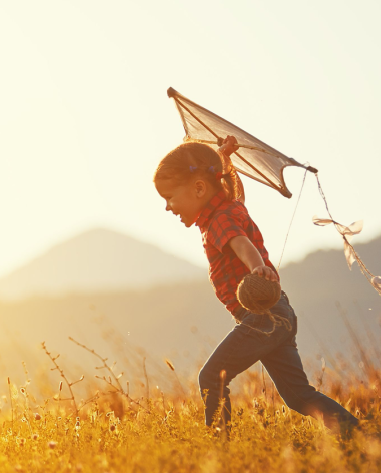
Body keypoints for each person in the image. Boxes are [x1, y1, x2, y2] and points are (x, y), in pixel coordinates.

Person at [153, 136, 359, 437]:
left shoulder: (220, 220)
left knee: (212, 377)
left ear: (199, 188)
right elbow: (227, 191)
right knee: (299, 395)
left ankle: (219, 448)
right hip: (279, 316)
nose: (168, 207)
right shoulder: (228, 207)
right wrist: (222, 158)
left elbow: (241, 244)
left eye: (169, 197)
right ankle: (361, 436)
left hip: (264, 319)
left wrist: (256, 267)